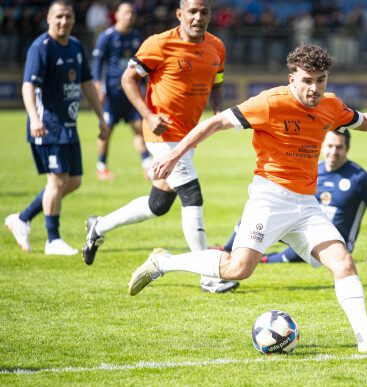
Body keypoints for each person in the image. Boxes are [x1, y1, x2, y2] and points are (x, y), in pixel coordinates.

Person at [128, 43, 367, 353]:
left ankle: (366, 337)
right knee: (239, 269)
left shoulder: (330, 104)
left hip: (307, 205)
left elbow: (362, 121)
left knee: (343, 261)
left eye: (321, 79)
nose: (314, 88)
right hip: (269, 199)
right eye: (307, 80)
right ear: (293, 78)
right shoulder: (269, 103)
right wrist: (174, 155)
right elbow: (215, 123)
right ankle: (163, 262)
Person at [82, 0, 239, 294]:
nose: (198, 17)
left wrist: (218, 108)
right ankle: (208, 276)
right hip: (161, 135)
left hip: (188, 136)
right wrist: (149, 115)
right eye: (192, 11)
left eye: (204, 12)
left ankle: (98, 227)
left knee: (158, 205)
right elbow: (129, 79)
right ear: (180, 14)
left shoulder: (217, 46)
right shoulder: (159, 44)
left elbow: (216, 80)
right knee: (192, 194)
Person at [5, 0, 107, 255]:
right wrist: (35, 119)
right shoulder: (41, 48)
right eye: (59, 17)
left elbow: (87, 84)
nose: (64, 21)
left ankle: (23, 218)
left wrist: (101, 117)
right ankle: (53, 240)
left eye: (68, 17)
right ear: (49, 18)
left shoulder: (75, 46)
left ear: (74, 19)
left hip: (68, 125)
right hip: (47, 125)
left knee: (73, 181)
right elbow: (28, 86)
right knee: (57, 180)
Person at [215, 129, 367, 264]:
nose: (333, 151)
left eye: (339, 147)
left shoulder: (360, 178)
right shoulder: (312, 170)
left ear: (347, 149)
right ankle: (226, 248)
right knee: (257, 212)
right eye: (329, 146)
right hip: (304, 227)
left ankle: (264, 259)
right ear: (322, 146)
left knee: (292, 254)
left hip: (333, 241)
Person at [91, 2, 151, 180]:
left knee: (139, 128)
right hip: (111, 94)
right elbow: (97, 64)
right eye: (126, 13)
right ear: (116, 15)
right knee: (106, 130)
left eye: (132, 13)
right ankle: (101, 167)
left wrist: (147, 85)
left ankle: (147, 166)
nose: (129, 16)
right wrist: (98, 88)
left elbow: (144, 63)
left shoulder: (136, 36)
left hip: (132, 93)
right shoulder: (107, 37)